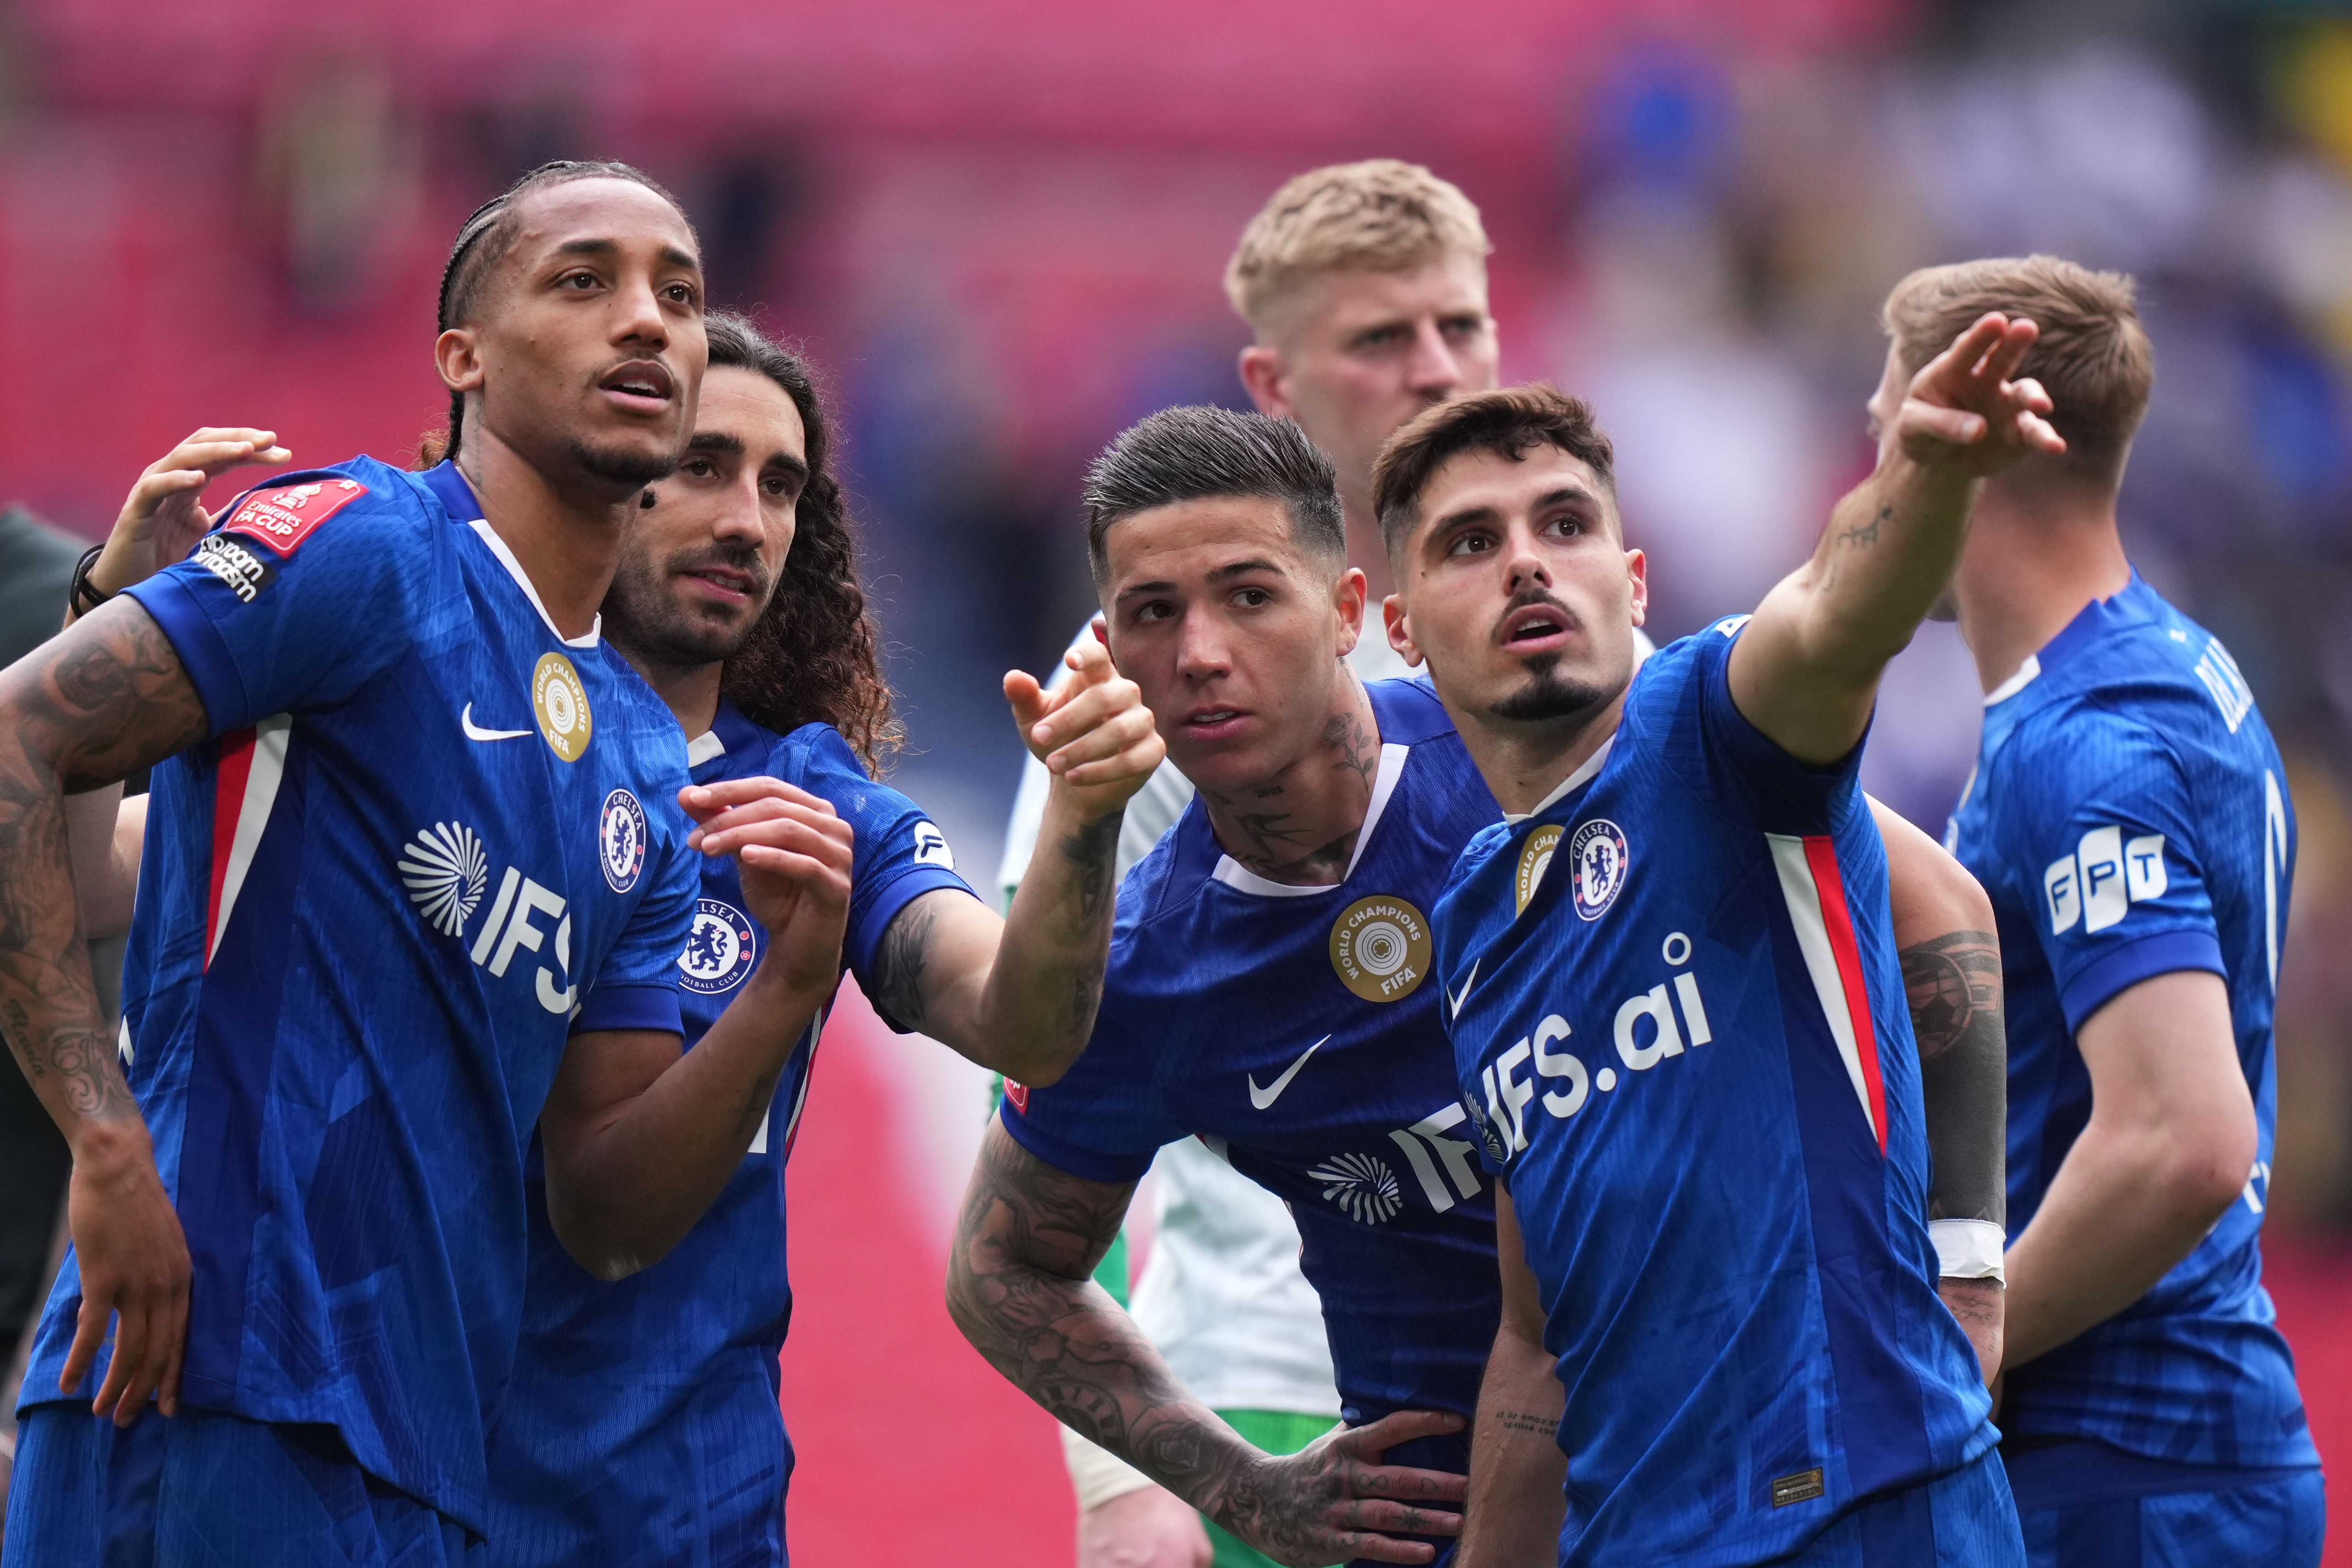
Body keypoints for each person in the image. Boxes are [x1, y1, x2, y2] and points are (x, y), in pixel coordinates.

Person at [54, 317, 1163, 1562]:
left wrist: (1079, 823)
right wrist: (102, 601)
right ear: (597, 460)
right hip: (372, 1462)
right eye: (700, 465)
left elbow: (1021, 1020)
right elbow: (87, 871)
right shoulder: (399, 733)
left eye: (782, 485)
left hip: (658, 1512)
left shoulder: (816, 809)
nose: (748, 519)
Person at [954, 406, 2016, 1568]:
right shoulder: (1153, 967)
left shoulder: (1550, 734)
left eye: (1249, 595)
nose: (1200, 651)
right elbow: (1002, 1265)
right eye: (1153, 614)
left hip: (1778, 1455)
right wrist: (1242, 1487)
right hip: (1459, 1516)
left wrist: (1964, 1267)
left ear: (1353, 613)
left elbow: (1934, 899)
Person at [0, 159, 832, 1566]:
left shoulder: (637, 755)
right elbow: (19, 738)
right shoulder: (367, 544)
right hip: (204, 1380)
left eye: (678, 297)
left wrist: (778, 999)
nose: (646, 321)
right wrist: (106, 1145)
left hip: (431, 1462)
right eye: (586, 281)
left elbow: (606, 1208)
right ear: (462, 358)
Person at [1384, 351, 2055, 1563]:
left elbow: (1837, 619)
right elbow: (1535, 1339)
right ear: (1401, 631)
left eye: (1566, 522)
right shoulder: (1474, 930)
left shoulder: (1716, 726)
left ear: (1633, 583)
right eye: (1469, 543)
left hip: (1867, 1510)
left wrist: (1923, 480)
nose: (1528, 559)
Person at [997, 158, 1503, 1568]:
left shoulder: (1560, 635)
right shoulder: (1154, 695)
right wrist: (1123, 1488)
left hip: (1572, 1373)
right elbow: (1042, 1067)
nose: (1439, 371)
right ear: (1274, 385)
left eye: (1463, 327)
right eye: (1383, 339)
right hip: (1278, 1381)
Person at [1886, 258, 2324, 1565]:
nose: (1868, 492)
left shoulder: (2092, 740)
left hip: (2134, 1465)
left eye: (1887, 438)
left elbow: (2183, 1136)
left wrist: (1966, 1337)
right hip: (2159, 1456)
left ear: (1962, 444)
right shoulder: (2169, 660)